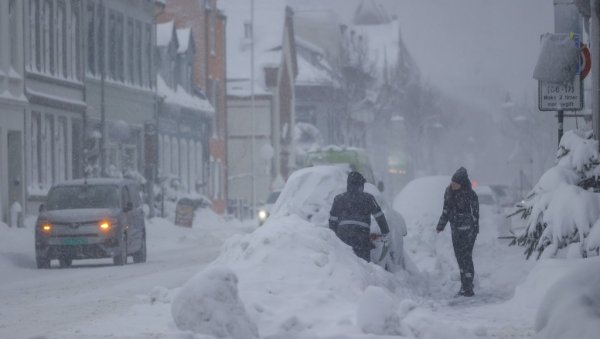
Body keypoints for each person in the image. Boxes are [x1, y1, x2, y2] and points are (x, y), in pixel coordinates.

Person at [436, 167, 479, 297]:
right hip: (456, 231)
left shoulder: (470, 195)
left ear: (462, 183)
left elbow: (476, 214)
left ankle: (468, 287)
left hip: (468, 231)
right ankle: (465, 285)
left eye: (456, 182)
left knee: (466, 257)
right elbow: (446, 210)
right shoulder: (449, 193)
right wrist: (441, 225)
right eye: (452, 181)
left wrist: (475, 229)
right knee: (460, 258)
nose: (453, 184)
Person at [329, 171, 390, 262]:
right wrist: (385, 232)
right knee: (363, 267)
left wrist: (333, 237)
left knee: (344, 263)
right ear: (361, 185)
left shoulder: (339, 199)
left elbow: (332, 222)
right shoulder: (368, 199)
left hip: (343, 237)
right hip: (361, 237)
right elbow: (379, 217)